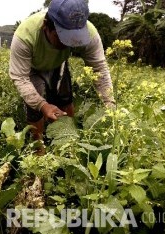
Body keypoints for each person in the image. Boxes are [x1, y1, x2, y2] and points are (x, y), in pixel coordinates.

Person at [9, 0, 116, 155]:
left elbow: (99, 69)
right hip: (31, 68)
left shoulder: (90, 34)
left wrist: (110, 104)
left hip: (58, 63)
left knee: (65, 100)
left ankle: (69, 144)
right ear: (46, 26)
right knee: (35, 108)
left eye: (74, 38)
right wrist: (43, 105)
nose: (69, 43)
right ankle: (38, 151)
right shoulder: (25, 36)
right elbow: (20, 77)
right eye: (63, 37)